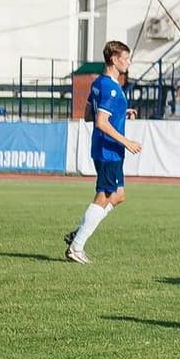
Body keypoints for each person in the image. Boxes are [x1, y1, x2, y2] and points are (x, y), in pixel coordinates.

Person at [66, 40, 143, 263]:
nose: (128, 63)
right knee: (105, 195)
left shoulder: (99, 83)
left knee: (119, 196)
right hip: (109, 149)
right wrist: (126, 141)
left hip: (105, 148)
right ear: (114, 59)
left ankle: (78, 234)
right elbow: (100, 121)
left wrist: (121, 111)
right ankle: (76, 247)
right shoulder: (110, 87)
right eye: (126, 58)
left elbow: (89, 115)